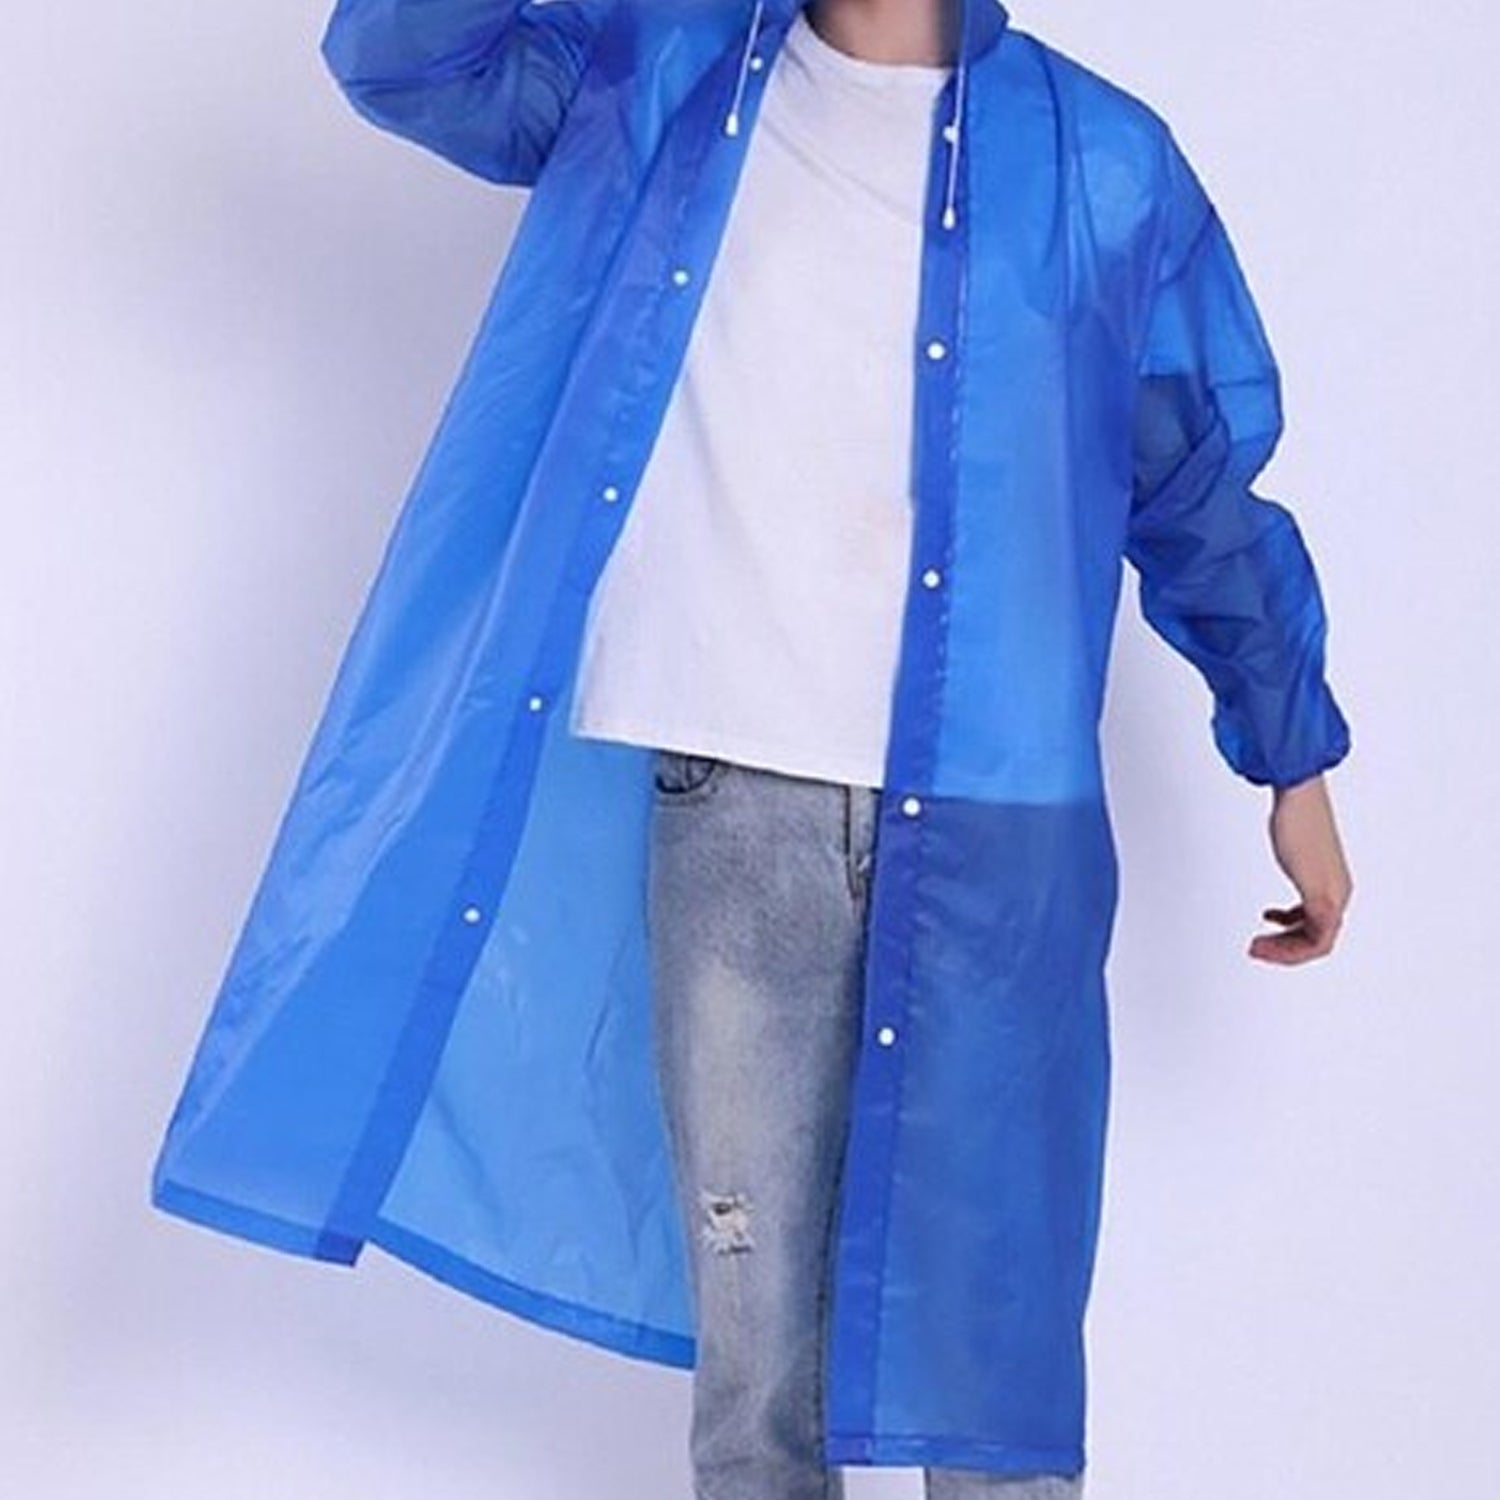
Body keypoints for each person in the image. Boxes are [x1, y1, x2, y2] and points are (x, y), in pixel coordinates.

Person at [150, 2, 1354, 1497]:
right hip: (737, 821)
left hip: (999, 852)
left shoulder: (1105, 167)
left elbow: (1199, 493)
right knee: (760, 1397)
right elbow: (407, 56)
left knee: (996, 1402)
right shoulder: (650, 77)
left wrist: (1293, 758)